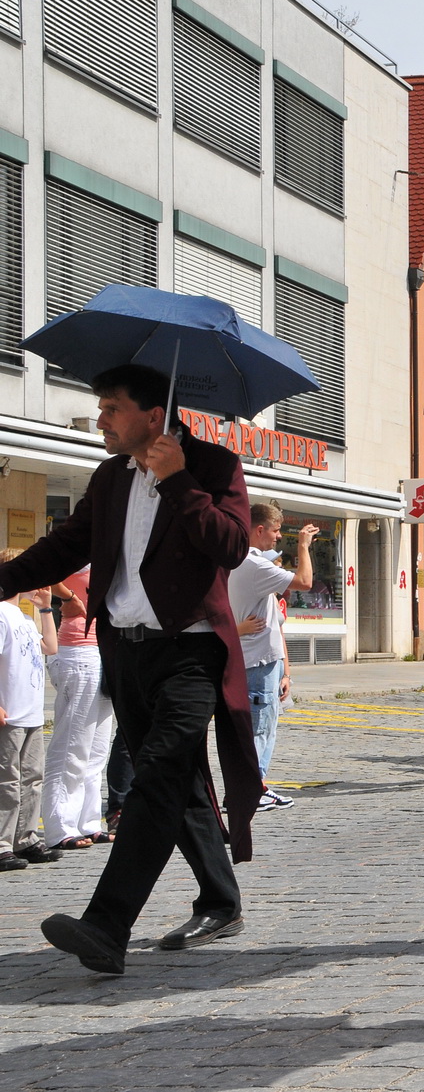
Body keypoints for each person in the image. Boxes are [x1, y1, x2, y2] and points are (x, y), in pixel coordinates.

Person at [0, 363, 256, 973]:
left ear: (152, 414)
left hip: (191, 652)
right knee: (175, 779)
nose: (102, 419)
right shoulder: (110, 476)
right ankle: (221, 900)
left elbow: (232, 547)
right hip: (126, 652)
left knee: (158, 778)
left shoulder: (215, 467)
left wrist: (178, 481)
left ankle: (107, 925)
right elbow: (67, 547)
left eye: (112, 407)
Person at [227, 504, 315, 812]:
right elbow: (305, 581)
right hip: (256, 661)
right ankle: (252, 789)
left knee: (261, 728)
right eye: (276, 531)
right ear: (259, 530)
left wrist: (285, 671)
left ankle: (252, 786)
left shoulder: (241, 561)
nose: (279, 538)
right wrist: (303, 547)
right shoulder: (253, 566)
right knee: (259, 730)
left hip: (260, 659)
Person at [39, 566, 114, 849]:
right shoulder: (76, 550)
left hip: (103, 648)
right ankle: (60, 826)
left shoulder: (109, 547)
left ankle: (88, 821)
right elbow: (43, 572)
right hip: (78, 648)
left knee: (96, 748)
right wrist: (69, 597)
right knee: (72, 743)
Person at [0, 564, 61, 871]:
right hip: (9, 712)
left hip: (31, 711)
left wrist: (47, 609)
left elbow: (50, 646)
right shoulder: (0, 613)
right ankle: (1, 843)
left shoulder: (24, 618)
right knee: (7, 780)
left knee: (31, 778)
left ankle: (25, 837)